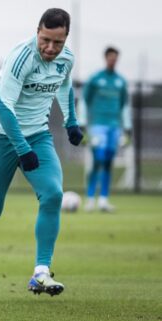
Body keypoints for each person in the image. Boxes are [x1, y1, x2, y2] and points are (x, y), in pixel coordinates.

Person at [0, 8, 84, 296]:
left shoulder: (66, 59)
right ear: (37, 31)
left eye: (57, 43)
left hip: (38, 135)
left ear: (65, 39)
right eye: (45, 40)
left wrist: (71, 121)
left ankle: (41, 273)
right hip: (2, 135)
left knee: (53, 194)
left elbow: (65, 86)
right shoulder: (20, 57)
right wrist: (21, 148)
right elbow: (5, 108)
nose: (50, 48)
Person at [80, 47, 131, 212]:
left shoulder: (120, 81)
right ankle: (89, 199)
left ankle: (103, 199)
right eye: (110, 58)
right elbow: (83, 101)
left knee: (108, 162)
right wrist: (82, 123)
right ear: (105, 58)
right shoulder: (95, 79)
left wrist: (127, 127)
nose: (113, 60)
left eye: (115, 58)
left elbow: (125, 105)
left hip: (114, 127)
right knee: (97, 160)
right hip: (98, 126)